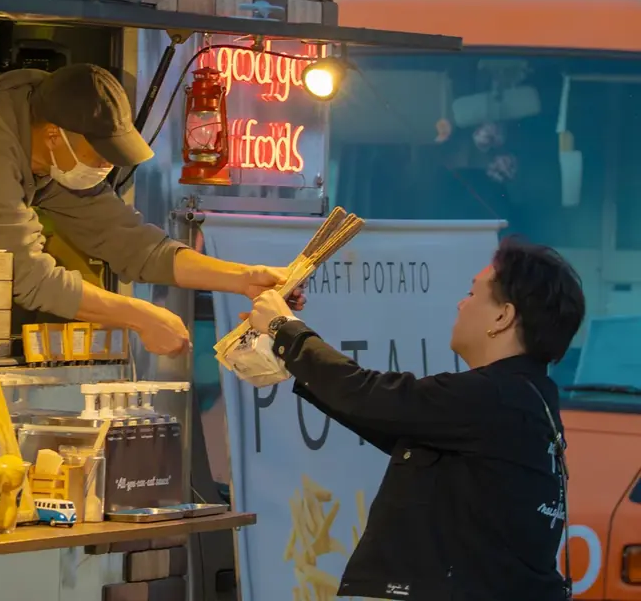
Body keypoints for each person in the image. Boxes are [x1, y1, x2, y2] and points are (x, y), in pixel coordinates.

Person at [0, 64, 290, 355]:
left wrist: (238, 277)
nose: (106, 164)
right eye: (100, 149)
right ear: (53, 133)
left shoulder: (46, 160)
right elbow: (30, 278)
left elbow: (130, 244)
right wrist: (141, 316)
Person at [246, 237, 585, 601]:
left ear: (503, 316)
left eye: (472, 294)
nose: (460, 304)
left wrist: (284, 329)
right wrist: (287, 351)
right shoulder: (528, 397)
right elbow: (384, 415)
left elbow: (371, 395)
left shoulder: (490, 395)